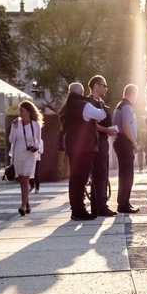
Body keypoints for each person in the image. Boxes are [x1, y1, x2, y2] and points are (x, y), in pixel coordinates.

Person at [58, 82, 106, 221]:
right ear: (81, 92)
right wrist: (100, 104)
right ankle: (79, 210)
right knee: (81, 179)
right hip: (84, 147)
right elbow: (101, 115)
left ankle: (75, 209)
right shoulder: (83, 105)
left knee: (74, 179)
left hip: (71, 147)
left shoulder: (65, 107)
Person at [88, 75, 119, 217]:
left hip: (102, 141)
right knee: (100, 174)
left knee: (101, 174)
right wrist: (107, 130)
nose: (106, 88)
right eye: (104, 85)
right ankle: (101, 206)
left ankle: (97, 206)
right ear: (96, 86)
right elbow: (91, 124)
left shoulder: (99, 102)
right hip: (97, 141)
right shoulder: (89, 102)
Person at [9, 101, 43, 216]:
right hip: (18, 153)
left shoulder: (35, 125)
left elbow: (39, 140)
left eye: (22, 111)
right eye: (20, 111)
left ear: (28, 112)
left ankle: (22, 206)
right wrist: (13, 128)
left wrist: (36, 147)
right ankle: (27, 204)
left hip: (30, 155)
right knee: (22, 180)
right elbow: (11, 140)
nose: (20, 113)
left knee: (26, 179)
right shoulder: (16, 124)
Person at [112, 84, 140, 213]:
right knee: (127, 174)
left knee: (124, 173)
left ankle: (123, 202)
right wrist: (134, 142)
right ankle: (124, 203)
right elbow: (126, 125)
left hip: (120, 142)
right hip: (125, 143)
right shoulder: (127, 106)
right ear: (133, 93)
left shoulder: (120, 105)